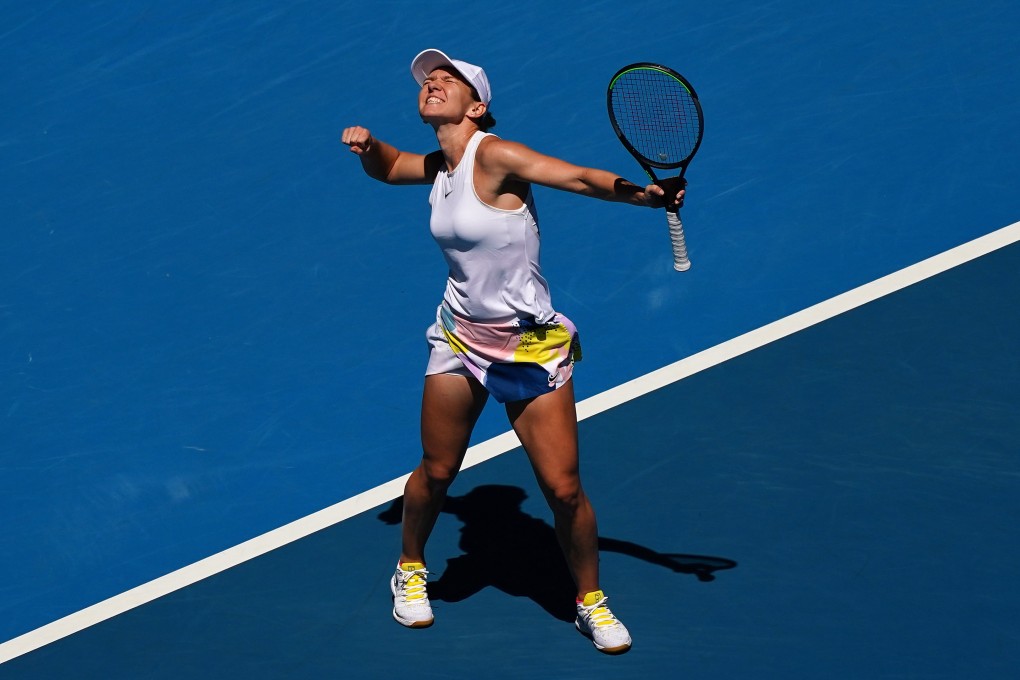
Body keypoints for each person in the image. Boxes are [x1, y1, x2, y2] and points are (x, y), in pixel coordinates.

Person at [341, 48, 685, 655]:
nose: (435, 83)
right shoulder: (441, 168)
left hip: (527, 345)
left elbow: (576, 176)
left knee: (564, 489)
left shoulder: (494, 156)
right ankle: (411, 569)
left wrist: (645, 196)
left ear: (477, 106)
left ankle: (590, 601)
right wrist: (370, 148)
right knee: (439, 469)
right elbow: (391, 167)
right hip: (459, 336)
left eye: (451, 80)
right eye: (429, 79)